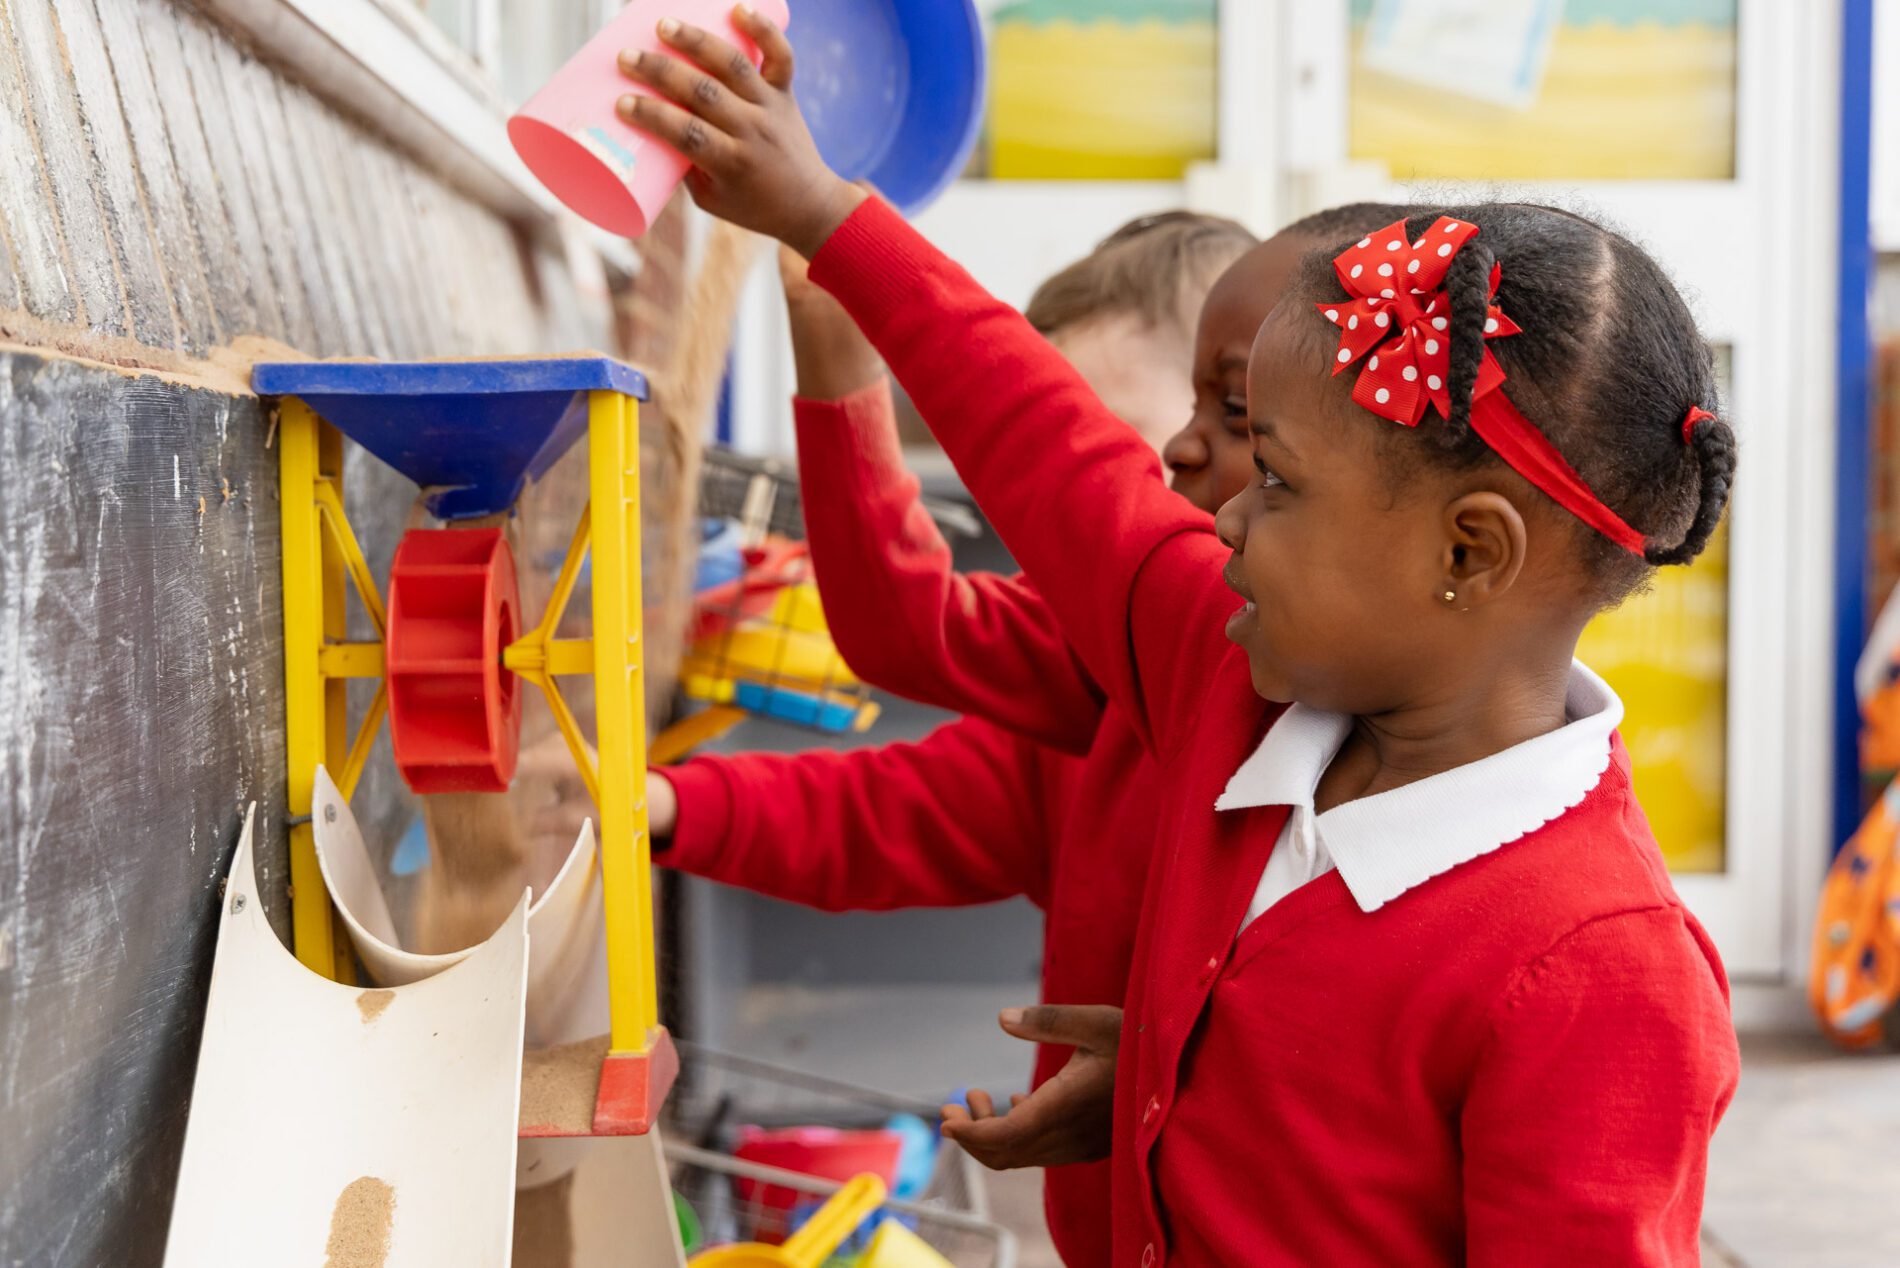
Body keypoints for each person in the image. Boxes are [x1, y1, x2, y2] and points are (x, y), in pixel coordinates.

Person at [617, 13, 1742, 1264]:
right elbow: (1048, 447)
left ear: (1467, 553)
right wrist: (827, 216)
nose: (1223, 515)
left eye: (1280, 477)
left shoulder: (1603, 971)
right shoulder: (1235, 673)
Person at [640, 208, 1400, 1268]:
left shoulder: (1333, 723)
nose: (1174, 455)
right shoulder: (1102, 679)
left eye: (1108, 447)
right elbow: (900, 730)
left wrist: (1166, 1084)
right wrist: (667, 804)